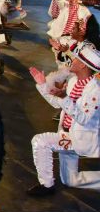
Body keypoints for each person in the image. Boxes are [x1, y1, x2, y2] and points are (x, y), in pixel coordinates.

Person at [27, 42, 100, 196]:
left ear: (83, 66)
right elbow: (57, 103)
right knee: (71, 180)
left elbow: (83, 118)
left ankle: (47, 185)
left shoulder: (96, 90)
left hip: (78, 138)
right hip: (65, 132)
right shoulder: (73, 81)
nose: (72, 61)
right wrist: (42, 85)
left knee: (40, 141)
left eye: (77, 60)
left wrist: (64, 97)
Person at [47, 0, 92, 68]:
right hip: (63, 37)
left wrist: (83, 25)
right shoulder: (64, 6)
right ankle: (63, 75)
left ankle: (71, 78)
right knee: (62, 61)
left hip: (75, 39)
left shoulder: (84, 10)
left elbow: (89, 23)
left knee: (75, 60)